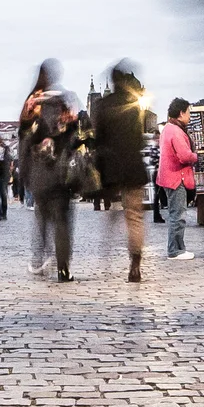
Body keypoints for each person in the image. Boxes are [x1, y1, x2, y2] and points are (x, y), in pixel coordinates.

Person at [23, 69, 83, 280]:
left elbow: (24, 141)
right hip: (62, 174)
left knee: (41, 219)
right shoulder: (65, 103)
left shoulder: (32, 104)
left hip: (40, 175)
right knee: (62, 223)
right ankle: (63, 268)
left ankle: (39, 259)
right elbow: (75, 137)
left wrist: (25, 174)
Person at [93, 62, 150, 281]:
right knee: (134, 216)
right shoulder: (133, 105)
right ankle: (135, 261)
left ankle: (106, 251)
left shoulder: (103, 105)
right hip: (133, 167)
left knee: (113, 211)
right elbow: (138, 138)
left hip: (112, 170)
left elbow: (98, 140)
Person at [157, 97, 198, 259]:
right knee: (178, 215)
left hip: (168, 177)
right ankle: (175, 250)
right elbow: (184, 156)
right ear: (181, 113)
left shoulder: (168, 128)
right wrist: (196, 156)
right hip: (176, 178)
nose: (189, 116)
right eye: (188, 112)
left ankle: (179, 248)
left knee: (176, 214)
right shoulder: (176, 131)